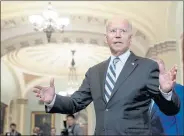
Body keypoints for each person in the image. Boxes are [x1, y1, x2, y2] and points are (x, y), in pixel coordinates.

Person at [33, 16, 180, 135]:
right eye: (113, 31)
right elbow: (75, 103)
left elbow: (170, 109)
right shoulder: (94, 72)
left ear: (130, 38)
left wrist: (166, 92)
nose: (117, 35)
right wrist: (53, 99)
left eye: (123, 31)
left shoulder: (147, 67)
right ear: (106, 38)